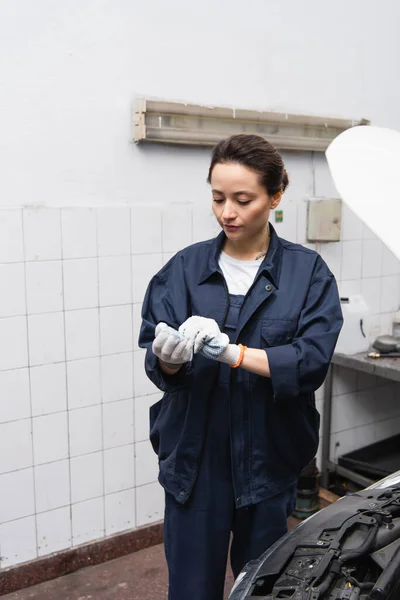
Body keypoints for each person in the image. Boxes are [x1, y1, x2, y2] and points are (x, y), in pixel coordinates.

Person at [139, 134, 343, 600]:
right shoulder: (184, 270)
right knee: (192, 589)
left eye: (243, 199)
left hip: (268, 460)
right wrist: (167, 360)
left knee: (266, 587)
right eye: (217, 198)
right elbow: (155, 355)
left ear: (275, 196)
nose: (227, 212)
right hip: (195, 463)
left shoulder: (307, 274)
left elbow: (310, 361)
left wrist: (234, 354)